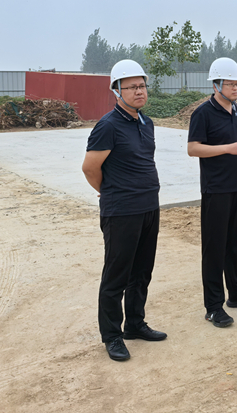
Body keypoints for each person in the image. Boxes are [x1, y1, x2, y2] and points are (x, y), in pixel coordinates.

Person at [82, 59, 167, 362]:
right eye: (131, 87)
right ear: (116, 91)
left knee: (141, 272)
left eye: (142, 86)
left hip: (149, 207)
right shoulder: (108, 126)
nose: (139, 91)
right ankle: (112, 335)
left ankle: (134, 324)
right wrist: (111, 191)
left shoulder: (146, 122)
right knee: (116, 276)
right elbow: (90, 168)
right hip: (121, 212)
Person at [187, 58, 237, 328]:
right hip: (216, 190)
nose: (236, 88)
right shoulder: (203, 113)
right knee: (214, 249)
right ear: (216, 85)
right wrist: (227, 148)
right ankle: (213, 306)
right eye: (231, 84)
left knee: (233, 245)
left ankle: (236, 293)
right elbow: (193, 148)